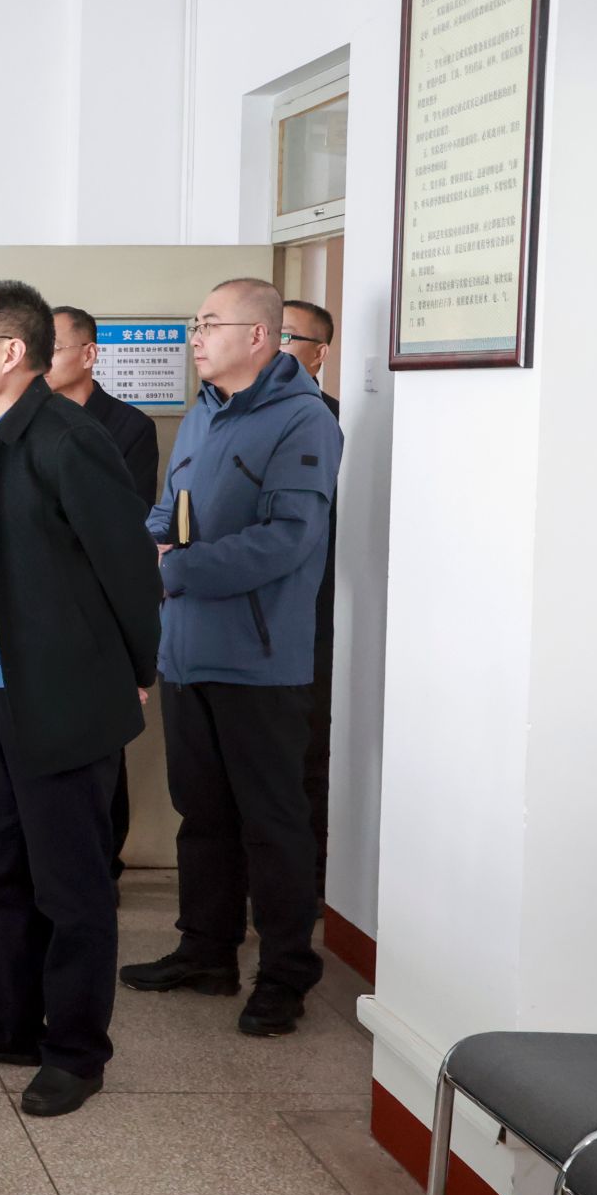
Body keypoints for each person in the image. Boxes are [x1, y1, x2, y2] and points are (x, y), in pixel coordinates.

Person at [0, 282, 161, 1118]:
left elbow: (129, 567)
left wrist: (136, 668)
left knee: (72, 884)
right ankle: (10, 1020)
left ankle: (77, 1051)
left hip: (66, 694)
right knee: (4, 868)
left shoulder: (69, 440)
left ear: (12, 351)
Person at [119, 278, 341, 1039]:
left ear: (258, 336)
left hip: (260, 659)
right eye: (195, 323)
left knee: (272, 822)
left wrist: (174, 570)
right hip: (188, 651)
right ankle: (206, 952)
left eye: (210, 323)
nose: (195, 336)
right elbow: (168, 510)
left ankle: (284, 974)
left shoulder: (304, 419)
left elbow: (287, 538)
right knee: (202, 814)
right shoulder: (203, 412)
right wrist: (142, 547)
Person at [48, 304, 159, 886]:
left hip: (100, 611)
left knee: (102, 746)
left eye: (53, 348)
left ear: (89, 354)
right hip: (41, 609)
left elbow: (126, 530)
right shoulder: (23, 420)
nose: (41, 361)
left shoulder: (128, 427)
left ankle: (103, 868)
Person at [282, 300, 340, 889]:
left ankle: (311, 881)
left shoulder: (334, 421)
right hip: (243, 616)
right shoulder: (219, 414)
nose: (274, 347)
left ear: (319, 354)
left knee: (309, 749)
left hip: (318, 609)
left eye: (288, 337)